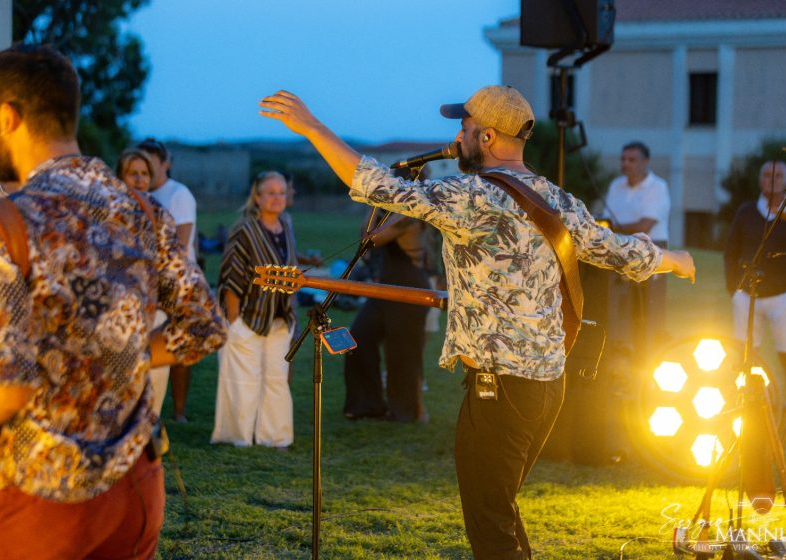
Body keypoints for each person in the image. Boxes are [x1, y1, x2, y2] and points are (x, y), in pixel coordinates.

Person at [259, 85, 695, 559]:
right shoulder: (556, 198)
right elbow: (615, 250)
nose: (457, 137)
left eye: (463, 129)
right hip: (547, 387)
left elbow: (379, 186)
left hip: (501, 390)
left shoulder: (473, 196)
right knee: (500, 513)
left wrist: (313, 129)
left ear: (486, 135)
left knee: (490, 526)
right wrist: (673, 258)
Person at [0, 44, 227, 559]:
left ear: (9, 116)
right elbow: (204, 326)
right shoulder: (144, 210)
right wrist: (119, 351)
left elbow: (7, 388)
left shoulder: (3, 224)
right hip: (137, 487)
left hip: (46, 498)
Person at [724, 160, 786, 431]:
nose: (771, 178)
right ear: (759, 180)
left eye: (778, 175)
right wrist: (734, 289)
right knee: (745, 357)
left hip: (783, 297)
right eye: (766, 174)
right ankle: (745, 408)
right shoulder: (746, 212)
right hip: (747, 296)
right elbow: (731, 250)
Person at [211, 171, 297, 448]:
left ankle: (275, 437)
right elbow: (231, 277)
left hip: (280, 318)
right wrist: (234, 322)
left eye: (281, 193)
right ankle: (239, 437)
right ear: (257, 197)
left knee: (276, 379)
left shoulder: (287, 225)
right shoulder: (243, 229)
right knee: (243, 380)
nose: (276, 198)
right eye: (270, 193)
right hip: (246, 315)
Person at [343, 210, 431, 422]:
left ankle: (407, 411)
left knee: (403, 352)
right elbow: (364, 237)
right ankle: (367, 405)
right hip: (385, 286)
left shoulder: (408, 214)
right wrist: (372, 207)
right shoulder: (384, 213)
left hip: (410, 286)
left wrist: (373, 204)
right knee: (358, 337)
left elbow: (371, 240)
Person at [137, 138, 198, 423]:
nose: (146, 170)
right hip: (146, 282)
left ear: (165, 164)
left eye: (151, 164)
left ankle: (178, 411)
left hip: (173, 278)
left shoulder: (177, 194)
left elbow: (182, 243)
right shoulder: (141, 193)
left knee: (174, 344)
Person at [602, 141, 671, 357]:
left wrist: (615, 227)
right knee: (620, 309)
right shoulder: (616, 186)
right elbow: (605, 220)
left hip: (651, 250)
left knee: (647, 312)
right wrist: (612, 228)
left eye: (632, 160)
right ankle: (621, 355)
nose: (626, 164)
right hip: (619, 251)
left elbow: (644, 226)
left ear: (645, 162)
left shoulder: (657, 187)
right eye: (623, 159)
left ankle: (647, 360)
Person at [116, 148, 171, 416]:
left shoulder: (160, 216)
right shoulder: (109, 214)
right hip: (121, 305)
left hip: (156, 303)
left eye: (144, 174)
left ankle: (152, 432)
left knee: (157, 373)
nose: (139, 180)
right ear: (121, 177)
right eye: (133, 174)